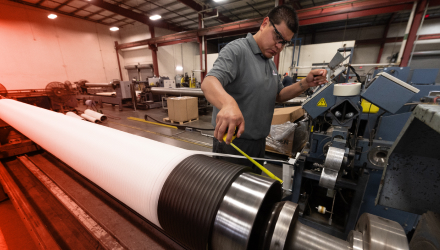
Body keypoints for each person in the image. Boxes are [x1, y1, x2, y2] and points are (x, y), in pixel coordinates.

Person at [201, 5, 327, 173]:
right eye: (277, 37)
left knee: (252, 192)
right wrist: (228, 104)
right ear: (265, 23)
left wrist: (305, 84)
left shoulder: (270, 63)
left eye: (284, 43)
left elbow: (278, 95)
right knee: (227, 193)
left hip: (259, 143)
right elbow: (209, 82)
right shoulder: (236, 51)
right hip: (232, 143)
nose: (279, 46)